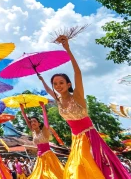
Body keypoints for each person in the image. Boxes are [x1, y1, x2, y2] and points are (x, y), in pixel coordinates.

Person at [40, 35, 130, 179]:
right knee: (77, 170)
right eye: (55, 84)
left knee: (93, 168)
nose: (58, 86)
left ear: (68, 84)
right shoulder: (58, 100)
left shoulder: (77, 96)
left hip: (89, 137)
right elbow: (49, 91)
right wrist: (41, 78)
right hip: (75, 139)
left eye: (61, 82)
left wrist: (67, 49)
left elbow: (78, 73)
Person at [20, 101, 64, 178]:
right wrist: (22, 111)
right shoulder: (33, 132)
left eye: (35, 121)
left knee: (50, 175)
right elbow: (27, 121)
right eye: (31, 122)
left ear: (39, 124)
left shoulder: (44, 131)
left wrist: (43, 108)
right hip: (40, 158)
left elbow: (46, 122)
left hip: (48, 156)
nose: (32, 123)